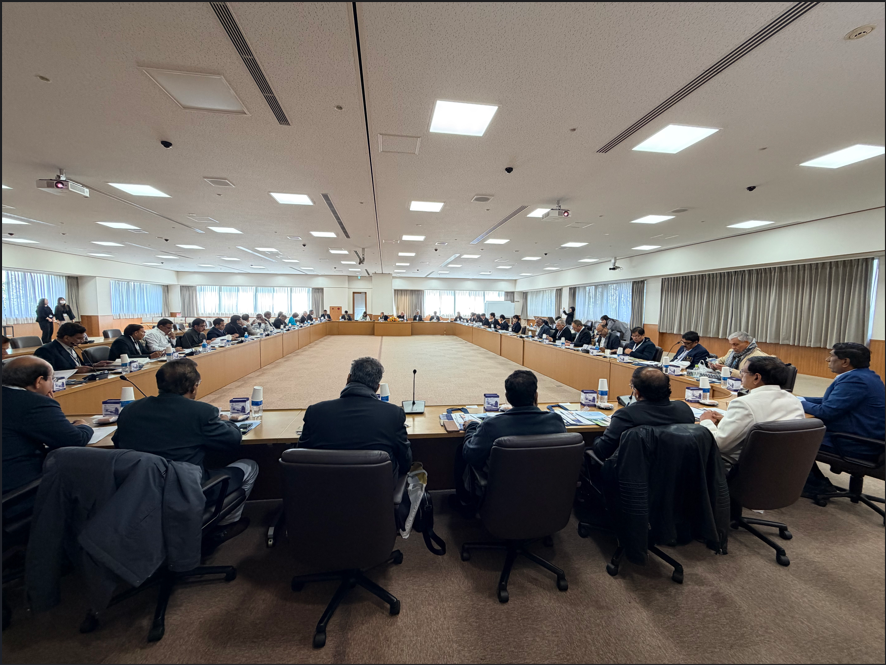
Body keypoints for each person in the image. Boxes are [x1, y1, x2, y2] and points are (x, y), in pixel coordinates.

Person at [113, 358, 257, 542]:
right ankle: (222, 527)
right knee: (250, 466)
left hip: (138, 492)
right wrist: (226, 421)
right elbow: (234, 440)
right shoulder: (202, 412)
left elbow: (118, 443)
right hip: (185, 491)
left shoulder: (129, 411)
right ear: (194, 386)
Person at [450, 370, 567, 515]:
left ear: (507, 397)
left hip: (502, 494)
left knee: (462, 450)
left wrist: (472, 427)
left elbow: (469, 454)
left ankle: (465, 502)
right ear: (536, 395)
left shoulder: (492, 425)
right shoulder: (556, 421)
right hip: (544, 491)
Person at [299, 357, 412, 477]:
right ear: (377, 387)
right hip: (376, 487)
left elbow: (300, 459)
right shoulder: (393, 414)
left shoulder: (315, 412)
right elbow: (405, 463)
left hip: (324, 486)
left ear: (348, 378)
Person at [799, 343, 886, 496]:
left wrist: (798, 403)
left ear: (845, 362)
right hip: (868, 436)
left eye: (831, 356)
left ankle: (817, 485)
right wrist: (801, 399)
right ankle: (815, 481)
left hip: (854, 442)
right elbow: (832, 401)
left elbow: (826, 411)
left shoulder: (855, 380)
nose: (827, 359)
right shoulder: (866, 375)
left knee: (792, 438)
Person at [2, 356, 93, 496]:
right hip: (19, 488)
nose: (52, 385)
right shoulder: (32, 403)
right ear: (39, 381)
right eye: (52, 379)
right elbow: (74, 440)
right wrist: (84, 426)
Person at [699, 357, 805, 466]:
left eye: (743, 372)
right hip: (786, 467)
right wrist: (726, 420)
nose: (741, 375)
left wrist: (706, 422)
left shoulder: (743, 404)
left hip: (742, 467)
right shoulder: (794, 400)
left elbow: (718, 444)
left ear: (756, 377)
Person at [592, 367, 695, 461]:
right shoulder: (684, 409)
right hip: (677, 471)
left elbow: (602, 451)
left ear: (637, 393)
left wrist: (595, 437)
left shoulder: (626, 415)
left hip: (634, 472)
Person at [34, 322, 114, 373]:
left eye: (83, 338)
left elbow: (78, 365)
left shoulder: (70, 346)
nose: (82, 341)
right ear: (66, 338)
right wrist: (74, 370)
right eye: (79, 338)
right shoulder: (46, 351)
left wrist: (94, 365)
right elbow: (48, 372)